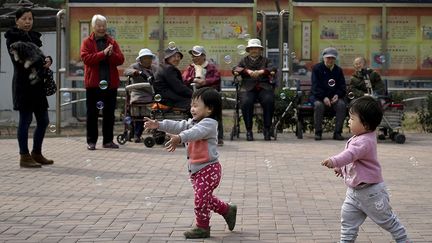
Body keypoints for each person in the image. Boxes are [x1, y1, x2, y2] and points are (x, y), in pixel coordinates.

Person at [143, 87, 237, 239]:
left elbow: (194, 133)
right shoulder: (192, 122)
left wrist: (179, 138)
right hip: (195, 170)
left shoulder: (209, 124)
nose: (192, 109)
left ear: (209, 109)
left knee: (200, 199)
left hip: (209, 169)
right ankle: (227, 210)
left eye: (196, 105)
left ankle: (202, 227)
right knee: (205, 198)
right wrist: (158, 124)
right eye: (192, 105)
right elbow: (178, 125)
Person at [321, 96, 410, 243]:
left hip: (371, 193)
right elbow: (354, 162)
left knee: (388, 221)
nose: (348, 121)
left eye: (352, 118)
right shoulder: (359, 137)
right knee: (347, 221)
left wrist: (334, 161)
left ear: (366, 125)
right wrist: (340, 168)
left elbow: (350, 155)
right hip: (354, 193)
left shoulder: (365, 141)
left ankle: (403, 239)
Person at [4, 7, 54, 168]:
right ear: (17, 20)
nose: (27, 22)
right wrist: (41, 62)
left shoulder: (33, 38)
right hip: (23, 85)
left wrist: (47, 60)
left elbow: (38, 57)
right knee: (25, 120)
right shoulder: (12, 38)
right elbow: (22, 60)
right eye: (24, 19)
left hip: (37, 84)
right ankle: (24, 156)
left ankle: (36, 153)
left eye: (30, 19)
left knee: (44, 120)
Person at [80, 14, 125, 150]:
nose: (101, 28)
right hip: (93, 84)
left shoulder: (111, 42)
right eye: (99, 25)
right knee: (92, 114)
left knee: (109, 114)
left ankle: (108, 141)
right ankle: (91, 142)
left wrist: (111, 55)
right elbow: (86, 59)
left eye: (104, 26)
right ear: (93, 27)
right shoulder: (87, 42)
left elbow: (120, 60)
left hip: (110, 84)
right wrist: (103, 54)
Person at [232, 38, 276, 141]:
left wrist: (261, 72)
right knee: (246, 102)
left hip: (264, 87)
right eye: (252, 48)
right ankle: (248, 131)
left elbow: (273, 69)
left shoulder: (266, 60)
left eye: (256, 48)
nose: (254, 50)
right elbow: (235, 69)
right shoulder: (244, 60)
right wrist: (247, 71)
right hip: (247, 87)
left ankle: (267, 129)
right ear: (248, 50)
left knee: (269, 100)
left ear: (260, 50)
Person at [182, 45, 224, 146]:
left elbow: (217, 78)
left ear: (204, 56)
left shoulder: (211, 67)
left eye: (197, 55)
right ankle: (194, 134)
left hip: (209, 94)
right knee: (192, 112)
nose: (194, 58)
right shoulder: (190, 67)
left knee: (214, 113)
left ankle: (219, 137)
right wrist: (193, 80)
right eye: (193, 56)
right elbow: (184, 78)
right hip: (195, 94)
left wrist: (205, 82)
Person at [311, 47, 346, 141]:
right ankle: (318, 132)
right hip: (319, 97)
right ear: (324, 58)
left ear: (335, 59)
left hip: (334, 98)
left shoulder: (338, 70)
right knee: (318, 106)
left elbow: (342, 87)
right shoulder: (317, 68)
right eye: (328, 58)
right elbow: (315, 87)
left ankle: (337, 133)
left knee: (341, 105)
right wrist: (324, 97)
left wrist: (337, 95)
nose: (330, 60)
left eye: (332, 58)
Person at [124, 48, 157, 143]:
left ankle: (139, 133)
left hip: (151, 94)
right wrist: (138, 72)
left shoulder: (154, 68)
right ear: (141, 59)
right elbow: (126, 71)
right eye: (145, 58)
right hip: (138, 94)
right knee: (139, 114)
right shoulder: (135, 66)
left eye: (150, 58)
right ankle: (136, 134)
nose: (148, 60)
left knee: (155, 110)